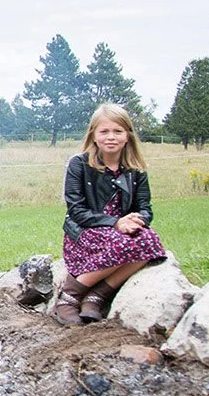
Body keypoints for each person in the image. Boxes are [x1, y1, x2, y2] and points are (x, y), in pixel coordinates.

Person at [53, 103, 167, 326]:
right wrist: (115, 223)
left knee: (150, 241)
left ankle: (97, 296)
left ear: (127, 136)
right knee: (123, 244)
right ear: (93, 136)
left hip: (123, 230)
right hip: (87, 231)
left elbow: (145, 207)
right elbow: (76, 211)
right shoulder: (79, 164)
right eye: (104, 131)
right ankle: (69, 297)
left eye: (117, 131)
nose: (111, 137)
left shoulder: (136, 170)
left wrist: (138, 220)